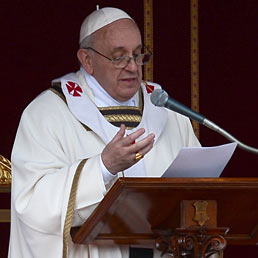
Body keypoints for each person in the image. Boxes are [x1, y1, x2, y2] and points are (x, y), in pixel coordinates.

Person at [8, 7, 200, 258]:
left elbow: (200, 194)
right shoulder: (48, 113)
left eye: (138, 54)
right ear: (87, 60)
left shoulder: (167, 111)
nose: (132, 67)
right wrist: (102, 167)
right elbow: (31, 204)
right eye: (119, 57)